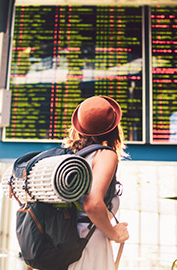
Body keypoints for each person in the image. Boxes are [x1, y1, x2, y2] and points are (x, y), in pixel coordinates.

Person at [62, 96, 130, 270]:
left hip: (66, 245)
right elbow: (92, 203)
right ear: (114, 128)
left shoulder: (69, 158)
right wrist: (114, 234)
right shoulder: (105, 155)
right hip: (89, 246)